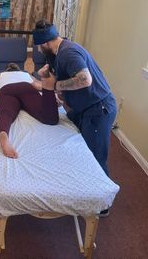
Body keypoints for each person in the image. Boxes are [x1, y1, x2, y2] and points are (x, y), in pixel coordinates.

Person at [32, 19, 117, 178]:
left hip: (99, 109)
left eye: (39, 46)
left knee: (95, 158)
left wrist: (55, 86)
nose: (37, 49)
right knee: (82, 150)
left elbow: (85, 79)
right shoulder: (56, 53)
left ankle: (100, 194)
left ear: (46, 43)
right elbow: (61, 75)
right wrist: (46, 77)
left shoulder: (68, 53)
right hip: (84, 108)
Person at [0, 63, 59, 158]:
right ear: (19, 70)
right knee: (49, 118)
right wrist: (50, 98)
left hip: (6, 90)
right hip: (25, 87)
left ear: (6, 70)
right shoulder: (26, 74)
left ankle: (3, 135)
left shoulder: (0, 75)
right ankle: (49, 109)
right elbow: (39, 85)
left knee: (6, 113)